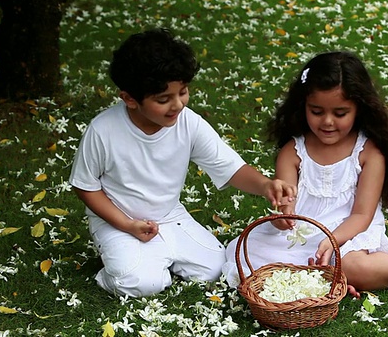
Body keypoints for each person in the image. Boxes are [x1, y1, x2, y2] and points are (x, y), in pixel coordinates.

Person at [222, 51, 388, 297]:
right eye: (316, 111)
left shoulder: (368, 153)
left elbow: (362, 215)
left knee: (352, 266)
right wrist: (282, 217)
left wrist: (331, 242)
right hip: (305, 230)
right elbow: (286, 206)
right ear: (303, 106)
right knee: (253, 259)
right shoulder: (293, 152)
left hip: (350, 230)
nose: (327, 122)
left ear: (359, 108)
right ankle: (328, 280)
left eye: (340, 113)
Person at [69, 28, 297, 297]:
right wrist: (126, 225)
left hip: (169, 216)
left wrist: (266, 185)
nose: (177, 105)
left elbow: (229, 167)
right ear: (130, 99)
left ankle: (158, 256)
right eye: (163, 99)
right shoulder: (103, 130)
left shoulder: (187, 122)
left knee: (217, 269)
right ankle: (116, 273)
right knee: (142, 284)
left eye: (183, 92)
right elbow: (85, 186)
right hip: (119, 220)